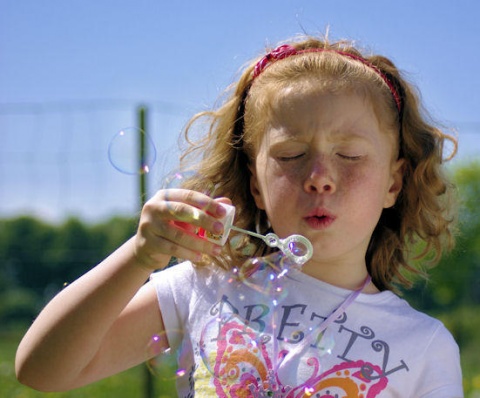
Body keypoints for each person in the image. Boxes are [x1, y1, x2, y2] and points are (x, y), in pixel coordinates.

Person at [15, 35, 463, 397]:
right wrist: (139, 256)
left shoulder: (424, 346)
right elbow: (42, 370)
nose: (320, 177)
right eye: (291, 155)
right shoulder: (207, 285)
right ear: (255, 185)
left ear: (394, 183)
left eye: (349, 154)